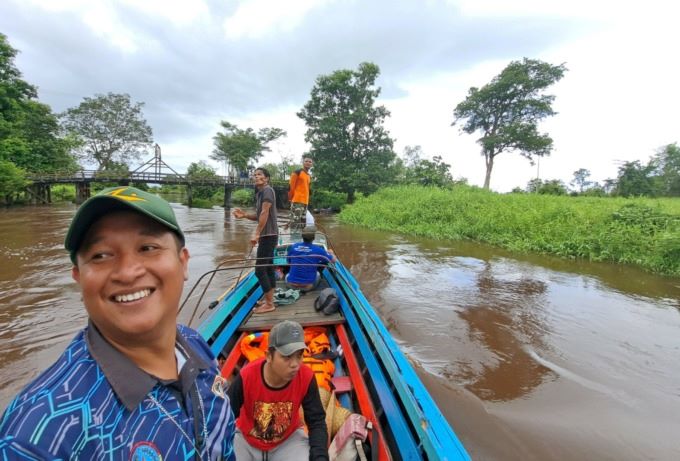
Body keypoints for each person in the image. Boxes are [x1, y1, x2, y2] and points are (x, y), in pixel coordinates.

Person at [0, 186, 236, 460]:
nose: (127, 272)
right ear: (78, 277)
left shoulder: (194, 346)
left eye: (148, 248)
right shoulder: (37, 439)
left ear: (183, 263)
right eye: (100, 255)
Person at [227, 320, 329, 461]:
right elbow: (226, 417)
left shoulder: (306, 377)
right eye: (287, 357)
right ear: (269, 355)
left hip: (288, 441)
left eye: (299, 356)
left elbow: (316, 421)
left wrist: (320, 457)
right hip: (246, 441)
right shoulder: (247, 376)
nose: (295, 365)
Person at [233, 167, 279, 314]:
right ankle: (270, 298)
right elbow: (260, 215)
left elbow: (265, 213)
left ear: (266, 178)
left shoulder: (267, 190)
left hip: (268, 235)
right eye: (255, 175)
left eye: (259, 174)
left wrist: (257, 233)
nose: (256, 176)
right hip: (269, 235)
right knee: (268, 267)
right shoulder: (260, 193)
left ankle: (269, 303)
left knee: (260, 270)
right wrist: (245, 215)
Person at [286, 226, 335, 291]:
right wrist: (331, 253)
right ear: (314, 238)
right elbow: (333, 260)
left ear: (302, 236)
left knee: (287, 275)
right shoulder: (318, 250)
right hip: (307, 287)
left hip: (291, 285)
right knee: (317, 273)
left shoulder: (294, 247)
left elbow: (288, 262)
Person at [288, 157, 313, 233]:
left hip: (305, 202)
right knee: (295, 222)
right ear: (303, 162)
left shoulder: (308, 176)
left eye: (310, 162)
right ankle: (294, 240)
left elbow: (307, 189)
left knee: (303, 223)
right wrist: (290, 199)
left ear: (312, 164)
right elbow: (290, 186)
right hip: (297, 201)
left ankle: (302, 240)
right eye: (306, 161)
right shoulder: (297, 172)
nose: (308, 163)